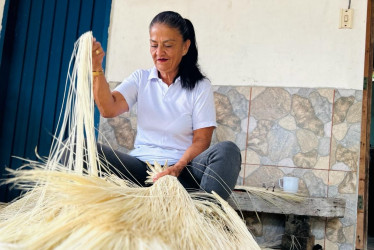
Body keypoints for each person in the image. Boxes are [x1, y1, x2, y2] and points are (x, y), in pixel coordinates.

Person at [91, 11, 240, 200]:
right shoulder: (141, 79)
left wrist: (178, 167)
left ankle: (205, 214)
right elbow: (108, 109)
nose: (159, 53)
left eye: (168, 46)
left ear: (185, 47)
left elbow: (202, 140)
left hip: (182, 172)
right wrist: (97, 68)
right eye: (154, 45)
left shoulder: (200, 86)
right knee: (77, 148)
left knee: (228, 151)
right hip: (141, 170)